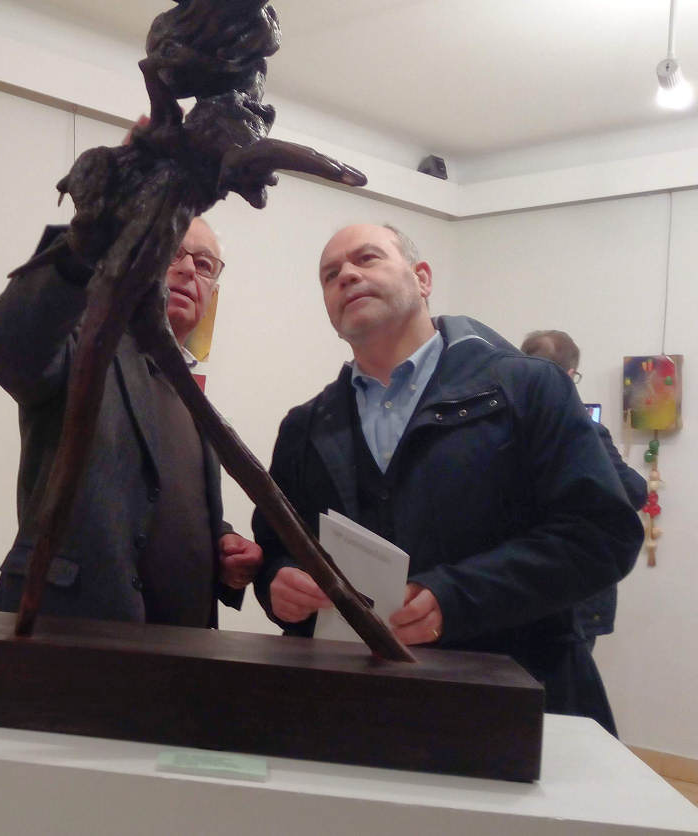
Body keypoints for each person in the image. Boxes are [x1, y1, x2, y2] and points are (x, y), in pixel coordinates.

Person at [251, 223, 642, 734]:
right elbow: (275, 547)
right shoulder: (304, 428)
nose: (346, 275)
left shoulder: (528, 390)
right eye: (330, 274)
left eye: (366, 258)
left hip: (514, 704)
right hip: (356, 709)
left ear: (422, 278)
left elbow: (601, 536)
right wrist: (277, 584)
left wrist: (456, 598)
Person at [0, 216, 262, 628]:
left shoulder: (194, 398)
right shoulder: (85, 346)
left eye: (204, 264)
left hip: (184, 653)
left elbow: (158, 501)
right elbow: (11, 345)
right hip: (65, 642)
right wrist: (85, 242)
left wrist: (222, 542)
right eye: (172, 252)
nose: (188, 269)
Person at [520, 329, 647, 649]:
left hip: (515, 582)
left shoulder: (502, 424)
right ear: (570, 375)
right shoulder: (584, 428)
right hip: (572, 587)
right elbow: (633, 492)